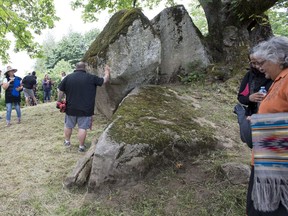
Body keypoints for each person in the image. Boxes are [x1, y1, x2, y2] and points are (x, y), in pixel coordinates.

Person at [246, 36, 288, 216]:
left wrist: (264, 123)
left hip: (279, 166)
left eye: (263, 62)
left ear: (278, 58)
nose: (260, 67)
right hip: (267, 161)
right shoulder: (278, 80)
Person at [57, 62, 110, 152]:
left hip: (71, 107)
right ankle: (81, 147)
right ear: (85, 68)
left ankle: (67, 142)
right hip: (86, 109)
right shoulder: (91, 78)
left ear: (75, 67)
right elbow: (104, 80)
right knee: (82, 128)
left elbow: (60, 90)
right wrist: (107, 72)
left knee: (68, 125)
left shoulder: (68, 78)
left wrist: (59, 100)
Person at [234, 52, 273, 148]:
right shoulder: (250, 76)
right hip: (251, 115)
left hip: (269, 119)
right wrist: (250, 98)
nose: (258, 66)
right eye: (253, 63)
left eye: (259, 62)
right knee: (253, 143)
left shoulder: (275, 76)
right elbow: (241, 97)